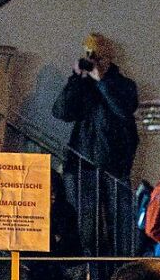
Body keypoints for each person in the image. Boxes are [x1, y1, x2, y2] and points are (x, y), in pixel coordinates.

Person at [51, 33, 139, 253]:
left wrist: (103, 82)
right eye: (90, 57)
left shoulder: (124, 85)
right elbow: (61, 112)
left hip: (115, 167)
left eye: (98, 58)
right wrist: (75, 78)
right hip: (82, 167)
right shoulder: (82, 85)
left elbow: (124, 110)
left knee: (121, 231)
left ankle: (120, 277)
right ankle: (89, 279)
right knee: (85, 231)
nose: (93, 62)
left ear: (109, 59)